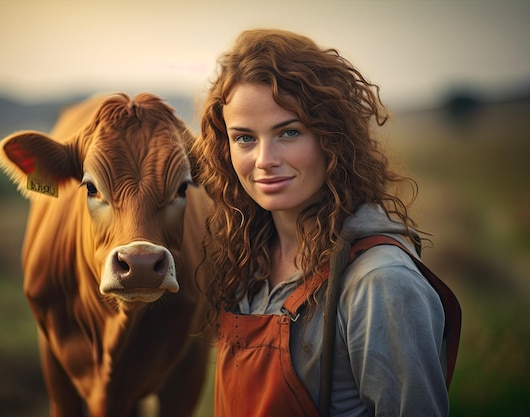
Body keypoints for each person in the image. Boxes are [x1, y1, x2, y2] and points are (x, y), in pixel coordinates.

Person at [191, 28, 461, 417]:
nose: (265, 159)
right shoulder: (247, 257)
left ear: (331, 137)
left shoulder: (380, 281)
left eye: (288, 132)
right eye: (245, 138)